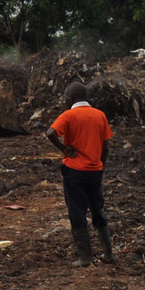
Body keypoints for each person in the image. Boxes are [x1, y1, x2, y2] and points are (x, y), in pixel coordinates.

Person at [46, 81, 115, 267]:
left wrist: (64, 149)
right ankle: (108, 254)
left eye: (65, 98)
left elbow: (50, 132)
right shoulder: (100, 115)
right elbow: (106, 147)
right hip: (95, 171)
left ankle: (85, 257)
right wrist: (100, 166)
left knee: (77, 210)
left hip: (75, 172)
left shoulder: (69, 115)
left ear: (71, 98)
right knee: (98, 209)